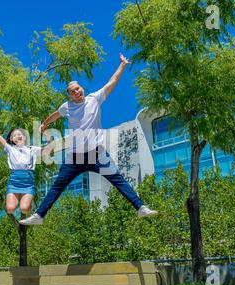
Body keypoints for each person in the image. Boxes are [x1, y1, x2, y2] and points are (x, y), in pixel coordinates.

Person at [19, 53, 158, 225]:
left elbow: (112, 82)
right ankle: (39, 216)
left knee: (118, 180)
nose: (77, 92)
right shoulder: (67, 107)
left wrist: (122, 65)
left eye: (78, 89)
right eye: (73, 92)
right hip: (75, 157)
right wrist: (44, 124)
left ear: (81, 88)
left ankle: (140, 208)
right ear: (70, 96)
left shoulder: (95, 98)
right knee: (57, 186)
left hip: (97, 154)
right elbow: (55, 115)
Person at [0, 121, 54, 220]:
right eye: (15, 135)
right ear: (11, 139)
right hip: (14, 182)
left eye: (20, 134)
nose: (18, 135)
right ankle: (14, 201)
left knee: (24, 209)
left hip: (28, 182)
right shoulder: (9, 148)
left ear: (25, 137)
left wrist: (47, 134)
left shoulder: (32, 149)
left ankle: (28, 204)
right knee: (10, 209)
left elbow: (50, 149)